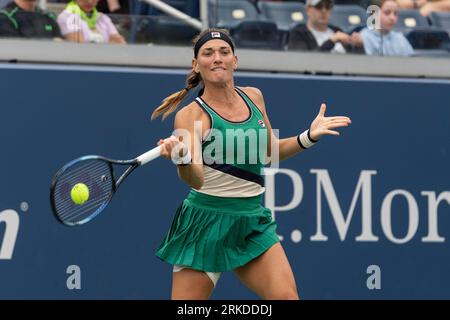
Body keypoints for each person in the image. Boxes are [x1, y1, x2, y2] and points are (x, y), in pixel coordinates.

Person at [152, 28, 351, 300]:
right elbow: (195, 178)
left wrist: (308, 136)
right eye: (208, 53)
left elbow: (270, 153)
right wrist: (182, 157)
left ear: (235, 59)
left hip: (251, 220)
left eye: (224, 52)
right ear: (196, 65)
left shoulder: (254, 96)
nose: (217, 58)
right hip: (205, 223)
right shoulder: (190, 116)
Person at [287, 0, 361, 53]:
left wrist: (358, 47)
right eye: (319, 6)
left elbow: (358, 65)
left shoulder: (338, 31)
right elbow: (302, 63)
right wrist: (332, 41)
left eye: (327, 6)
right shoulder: (298, 33)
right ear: (307, 10)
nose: (324, 11)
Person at [57, 0, 126, 43]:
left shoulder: (103, 18)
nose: (89, 1)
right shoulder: (67, 17)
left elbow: (120, 43)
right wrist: (110, 43)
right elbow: (79, 49)